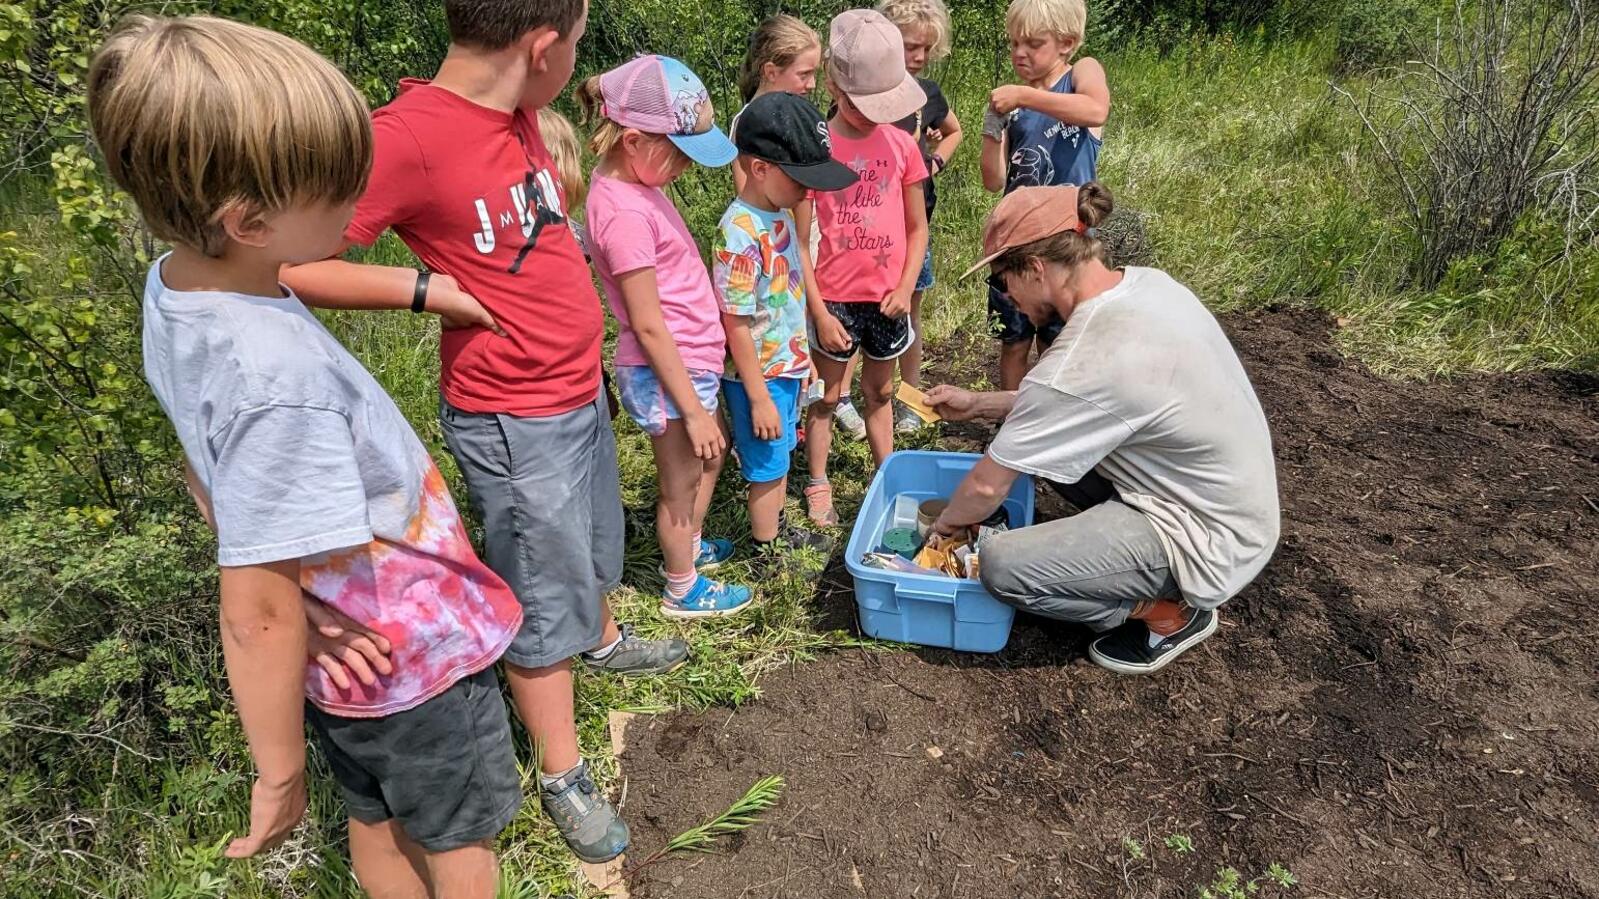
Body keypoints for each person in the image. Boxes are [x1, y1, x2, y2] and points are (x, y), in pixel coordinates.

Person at [90, 15, 526, 894]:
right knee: (458, 837)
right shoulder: (273, 375)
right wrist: (277, 772)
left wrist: (310, 606)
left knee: (376, 814)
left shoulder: (181, 284)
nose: (360, 195)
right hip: (411, 648)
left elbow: (205, 462)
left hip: (347, 647)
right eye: (338, 186)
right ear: (248, 219)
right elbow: (253, 612)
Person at [279, 0, 680, 863]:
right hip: (512, 410)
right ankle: (563, 768)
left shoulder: (520, 111)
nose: (579, 59)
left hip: (573, 389)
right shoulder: (409, 137)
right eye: (575, 43)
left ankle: (599, 637)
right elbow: (296, 262)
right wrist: (428, 291)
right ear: (540, 49)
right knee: (539, 583)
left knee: (587, 544)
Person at [926, 184, 1280, 675]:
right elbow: (1084, 402)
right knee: (1043, 457)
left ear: (1035, 269)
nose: (1004, 295)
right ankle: (1132, 564)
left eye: (1001, 280)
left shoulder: (1082, 358)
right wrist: (980, 405)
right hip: (1233, 505)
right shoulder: (1147, 286)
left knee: (1002, 566)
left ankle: (1169, 614)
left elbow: (987, 484)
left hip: (1204, 539)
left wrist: (942, 530)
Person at [578, 55, 754, 618]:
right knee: (680, 482)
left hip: (687, 363)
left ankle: (692, 548)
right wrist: (694, 411)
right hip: (665, 368)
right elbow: (649, 323)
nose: (683, 166)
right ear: (633, 141)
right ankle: (683, 585)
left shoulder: (633, 187)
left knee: (708, 457)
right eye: (679, 153)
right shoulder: (625, 212)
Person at [797, 9, 930, 527]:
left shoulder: (901, 146)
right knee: (828, 396)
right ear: (832, 83)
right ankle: (817, 480)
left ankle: (887, 477)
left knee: (879, 392)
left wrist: (903, 286)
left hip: (887, 300)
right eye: (860, 103)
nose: (872, 115)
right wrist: (818, 311)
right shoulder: (816, 150)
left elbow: (918, 229)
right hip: (832, 301)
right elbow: (801, 242)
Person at [716, 92, 859, 556]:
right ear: (760, 168)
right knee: (766, 465)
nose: (808, 191)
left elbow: (787, 298)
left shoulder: (775, 216)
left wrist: (805, 362)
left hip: (786, 365)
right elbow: (735, 320)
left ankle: (776, 525)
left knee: (780, 456)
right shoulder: (739, 231)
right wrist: (757, 397)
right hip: (757, 373)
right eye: (800, 179)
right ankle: (766, 549)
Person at [981, 0, 1109, 391]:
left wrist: (1024, 96)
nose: (1020, 53)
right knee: (1014, 342)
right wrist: (991, 130)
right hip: (1018, 246)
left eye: (1033, 44)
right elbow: (993, 179)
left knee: (1061, 343)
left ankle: (1059, 421)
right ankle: (1011, 425)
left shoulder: (1081, 73)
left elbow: (1095, 109)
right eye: (1014, 43)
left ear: (1067, 43)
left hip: (1070, 244)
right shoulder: (1013, 103)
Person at [877, 0, 964, 434]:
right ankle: (853, 398)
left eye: (927, 48)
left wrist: (934, 162)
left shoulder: (927, 94)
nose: (920, 57)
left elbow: (955, 130)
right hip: (872, 227)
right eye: (912, 46)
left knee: (911, 310)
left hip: (915, 225)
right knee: (863, 309)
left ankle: (910, 398)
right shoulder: (866, 93)